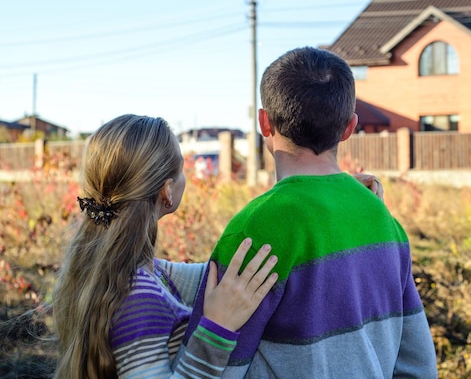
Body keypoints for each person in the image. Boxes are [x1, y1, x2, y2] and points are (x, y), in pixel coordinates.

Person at [187, 47, 438, 378]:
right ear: (349, 127)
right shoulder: (385, 222)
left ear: (265, 122)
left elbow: (214, 369)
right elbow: (418, 366)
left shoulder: (254, 230)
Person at [52, 114, 280, 379]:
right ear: (167, 191)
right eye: (182, 169)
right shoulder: (138, 297)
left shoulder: (120, 270)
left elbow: (215, 276)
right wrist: (216, 328)